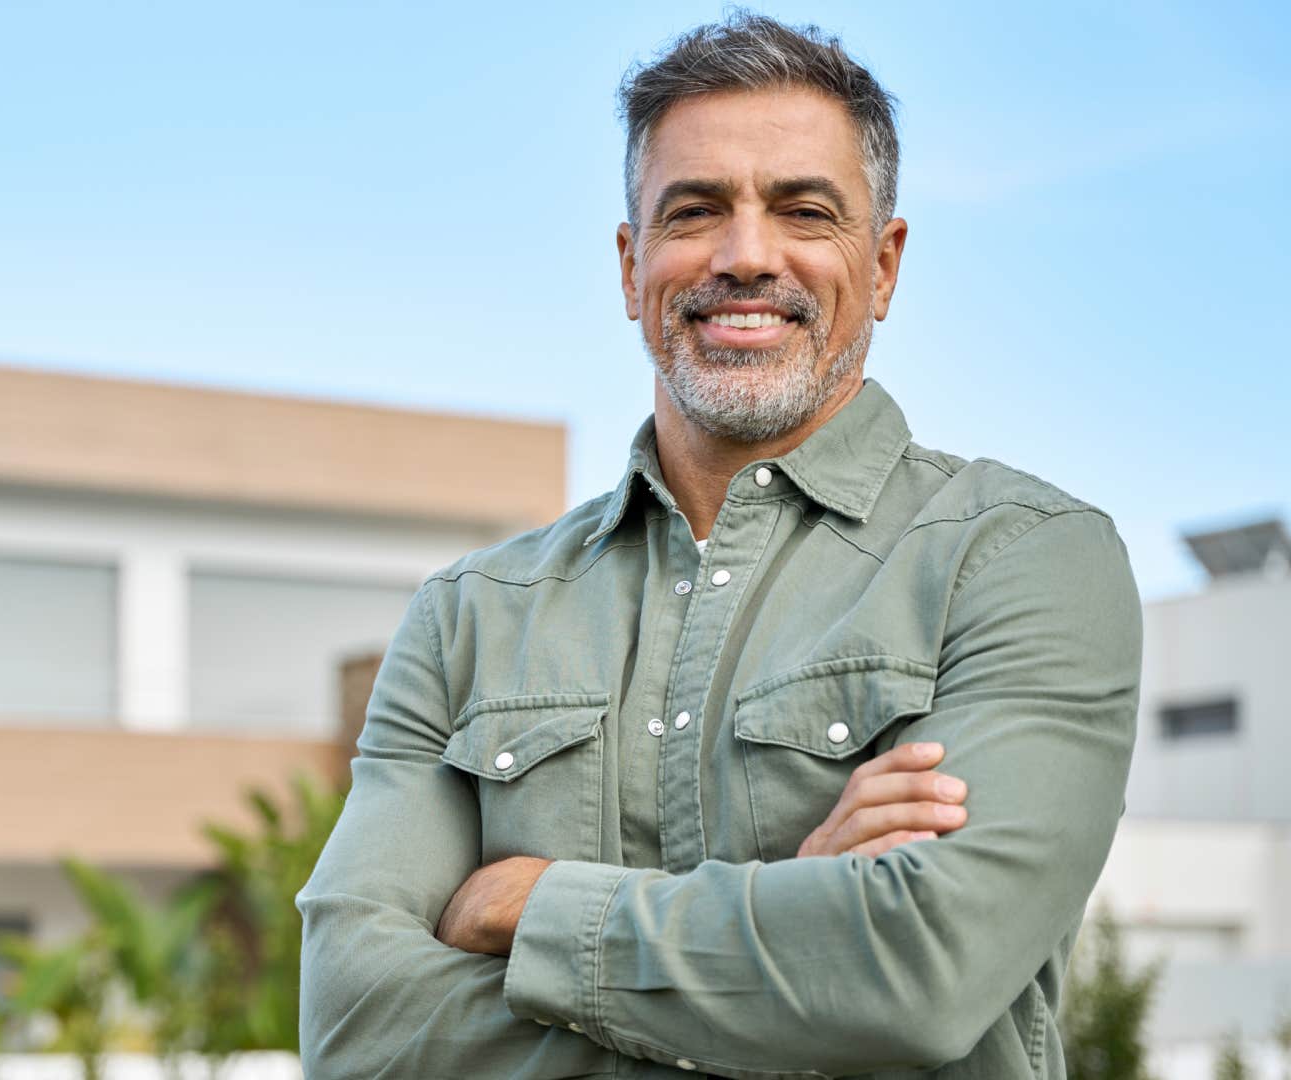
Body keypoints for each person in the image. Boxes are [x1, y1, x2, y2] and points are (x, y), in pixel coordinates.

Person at [296, 11, 1141, 1079]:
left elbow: (921, 973)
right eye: (695, 211)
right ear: (630, 262)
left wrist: (528, 906)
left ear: (881, 266)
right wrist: (797, 924)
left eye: (803, 210)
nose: (746, 256)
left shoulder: (1021, 559)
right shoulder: (471, 614)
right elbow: (355, 1024)